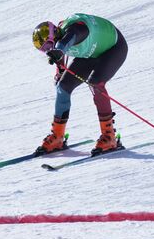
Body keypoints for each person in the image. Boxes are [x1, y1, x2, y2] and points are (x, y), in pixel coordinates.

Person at [32, 13, 128, 155]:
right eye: (43, 49)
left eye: (47, 45)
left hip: (113, 49)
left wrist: (59, 50)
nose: (47, 49)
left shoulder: (75, 28)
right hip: (90, 54)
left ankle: (110, 137)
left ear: (54, 35)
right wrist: (59, 71)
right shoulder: (59, 41)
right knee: (63, 87)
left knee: (96, 83)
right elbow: (60, 50)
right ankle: (57, 136)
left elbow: (69, 39)